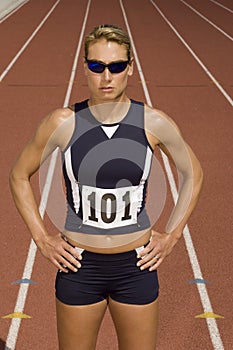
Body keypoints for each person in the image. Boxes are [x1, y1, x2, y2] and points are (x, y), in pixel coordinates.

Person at [9, 24, 203, 350]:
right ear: (85, 67)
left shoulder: (152, 122)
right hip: (80, 267)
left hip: (135, 267)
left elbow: (193, 174)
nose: (106, 76)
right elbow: (18, 176)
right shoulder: (62, 122)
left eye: (116, 66)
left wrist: (172, 236)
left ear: (130, 68)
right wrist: (42, 239)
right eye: (97, 66)